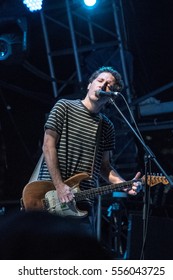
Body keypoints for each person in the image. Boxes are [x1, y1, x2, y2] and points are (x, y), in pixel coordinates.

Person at [37, 66, 142, 237]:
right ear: (89, 85)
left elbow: (105, 167)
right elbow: (48, 146)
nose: (103, 86)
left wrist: (124, 184)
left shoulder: (107, 126)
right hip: (51, 196)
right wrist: (59, 185)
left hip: (81, 204)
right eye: (100, 81)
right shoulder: (64, 106)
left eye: (109, 85)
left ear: (110, 97)